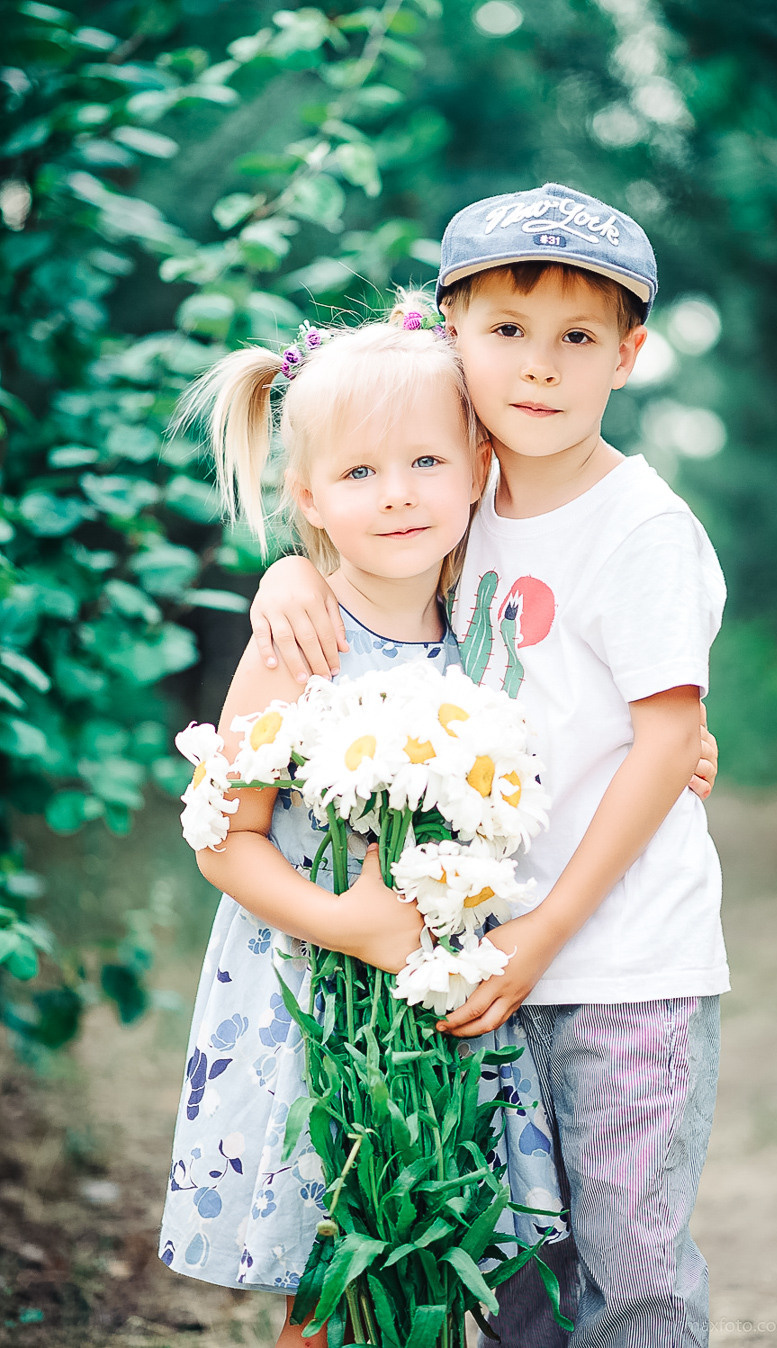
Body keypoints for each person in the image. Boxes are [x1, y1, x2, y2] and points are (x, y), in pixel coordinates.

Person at [248, 182, 728, 1348]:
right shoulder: (462, 502)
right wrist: (289, 573)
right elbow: (363, 557)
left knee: (630, 1258)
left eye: (577, 337)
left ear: (630, 353)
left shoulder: (643, 529)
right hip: (474, 962)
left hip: (620, 962)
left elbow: (667, 738)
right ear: (450, 332)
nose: (540, 368)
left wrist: (549, 928)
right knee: (511, 1263)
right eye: (507, 331)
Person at [157, 313, 570, 1347]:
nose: (397, 493)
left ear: (479, 467)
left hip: (437, 1010)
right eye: (359, 474)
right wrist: (354, 923)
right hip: (321, 1000)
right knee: (339, 1264)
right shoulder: (299, 635)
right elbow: (223, 837)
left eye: (427, 459)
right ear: (308, 499)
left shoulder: (483, 624)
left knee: (434, 1245)